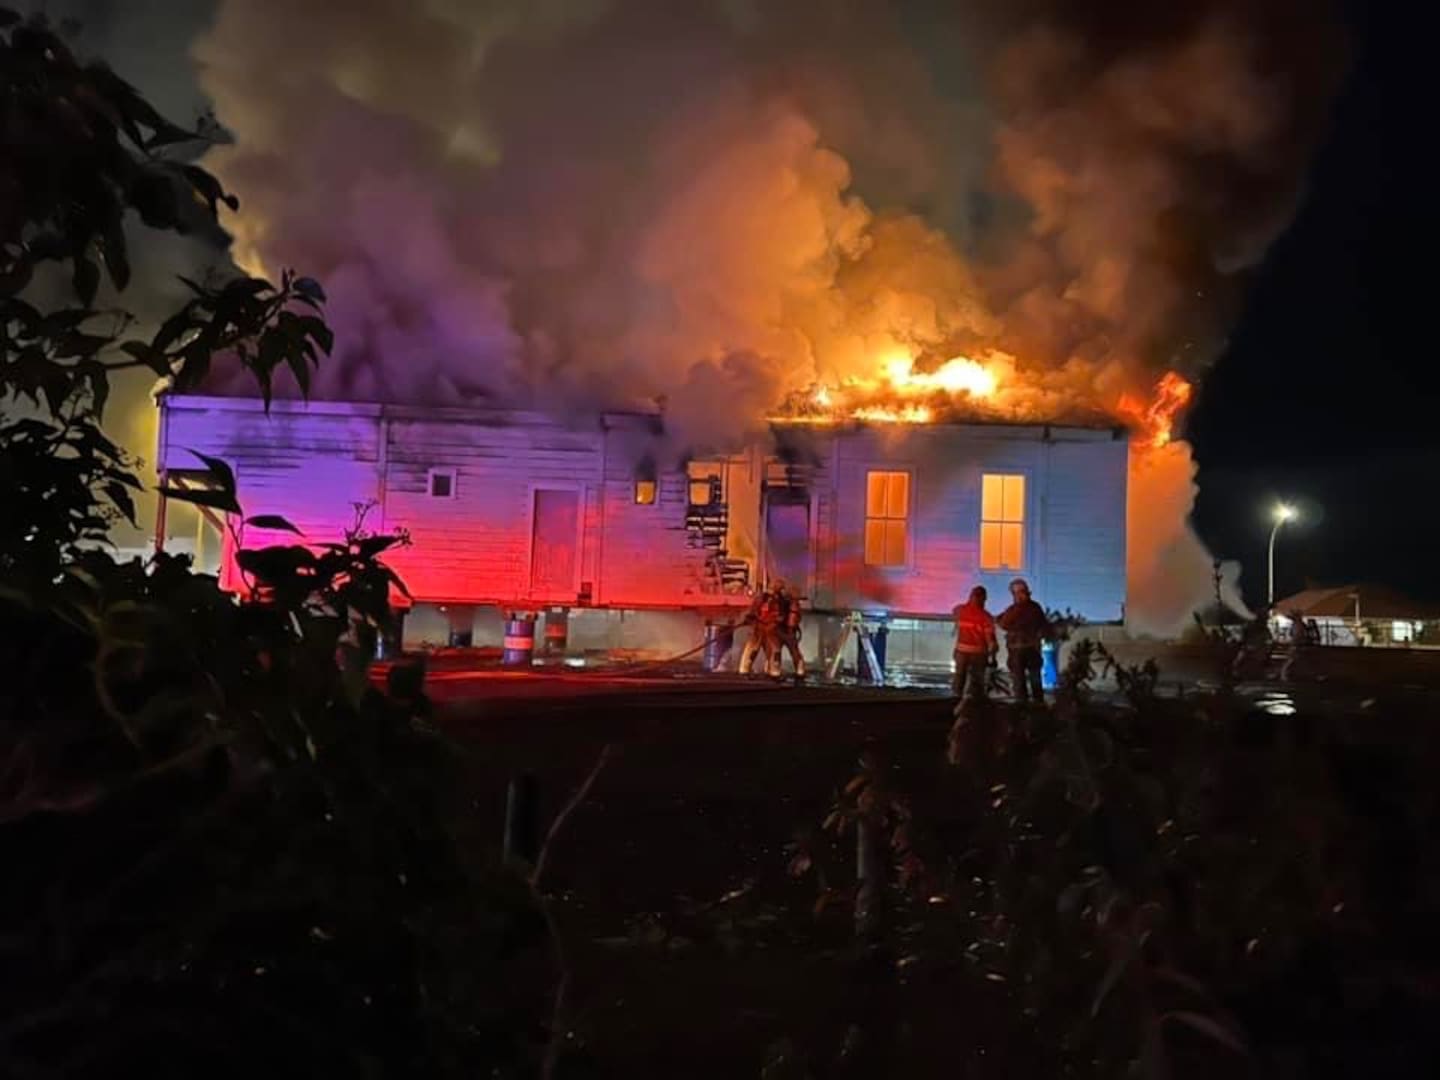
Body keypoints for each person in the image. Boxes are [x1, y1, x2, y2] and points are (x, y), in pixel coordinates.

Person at [998, 578, 1052, 705]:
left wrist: (1002, 617)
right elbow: (1044, 625)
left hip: (1018, 650)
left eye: (1016, 593)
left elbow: (1004, 623)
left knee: (1020, 680)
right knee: (1034, 679)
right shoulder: (1035, 607)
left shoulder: (1014, 610)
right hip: (1032, 648)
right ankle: (1038, 705)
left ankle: (1022, 707)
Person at [952, 585, 997, 701]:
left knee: (959, 677)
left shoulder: (960, 610)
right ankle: (974, 704)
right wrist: (993, 656)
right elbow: (991, 641)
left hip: (961, 651)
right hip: (979, 653)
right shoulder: (986, 617)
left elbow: (955, 612)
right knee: (977, 681)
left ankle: (955, 700)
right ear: (984, 599)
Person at [738, 583, 781, 675]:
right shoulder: (761, 599)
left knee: (775, 651)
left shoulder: (779, 603)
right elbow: (753, 611)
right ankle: (745, 670)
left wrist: (774, 624)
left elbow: (780, 616)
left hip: (770, 630)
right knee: (752, 650)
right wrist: (750, 618)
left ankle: (774, 671)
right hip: (758, 629)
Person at [773, 581, 807, 679]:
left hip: (785, 631)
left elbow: (792, 618)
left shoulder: (788, 602)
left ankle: (776, 671)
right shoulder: (786, 602)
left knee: (784, 651)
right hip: (784, 631)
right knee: (779, 651)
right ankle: (799, 670)